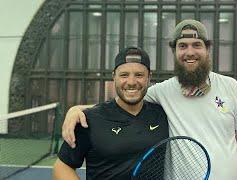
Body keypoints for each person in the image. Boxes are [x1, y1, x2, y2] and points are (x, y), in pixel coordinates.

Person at [61, 19, 237, 180]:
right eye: (182, 46)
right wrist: (76, 110)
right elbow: (125, 98)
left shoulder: (230, 86)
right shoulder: (162, 92)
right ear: (175, 52)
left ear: (207, 49)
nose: (190, 52)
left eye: (196, 45)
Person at [53, 47, 169, 180]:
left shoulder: (162, 114)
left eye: (139, 75)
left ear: (149, 77)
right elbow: (62, 167)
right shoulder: (89, 119)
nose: (131, 82)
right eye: (124, 75)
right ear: (114, 77)